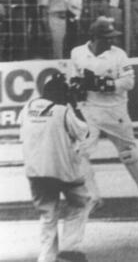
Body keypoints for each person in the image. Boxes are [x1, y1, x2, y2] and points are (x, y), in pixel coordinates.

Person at [70, 17, 138, 217]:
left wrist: (103, 84)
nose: (111, 41)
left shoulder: (119, 55)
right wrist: (77, 86)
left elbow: (129, 82)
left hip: (115, 111)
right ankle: (91, 197)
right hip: (89, 111)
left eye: (112, 37)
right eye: (106, 37)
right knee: (79, 153)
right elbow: (75, 78)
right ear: (94, 37)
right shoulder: (77, 53)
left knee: (129, 153)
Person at [19, 73, 90, 262]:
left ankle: (47, 258)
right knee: (80, 202)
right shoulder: (62, 110)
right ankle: (70, 250)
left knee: (48, 214)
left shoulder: (27, 108)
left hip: (35, 172)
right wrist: (74, 105)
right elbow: (85, 131)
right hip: (62, 171)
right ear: (62, 96)